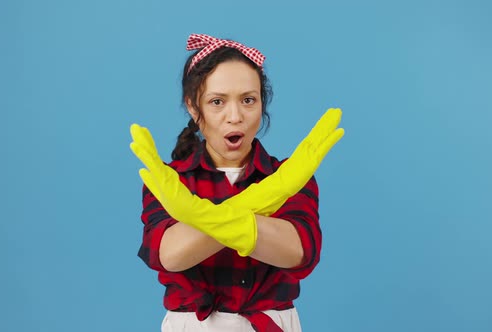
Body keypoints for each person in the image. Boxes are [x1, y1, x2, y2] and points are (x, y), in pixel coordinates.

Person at [129, 33, 345, 332]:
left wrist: (194, 215)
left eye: (248, 100)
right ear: (194, 107)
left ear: (262, 104)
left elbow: (298, 251)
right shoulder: (170, 179)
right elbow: (171, 255)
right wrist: (271, 195)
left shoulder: (292, 174)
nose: (235, 116)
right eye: (217, 101)